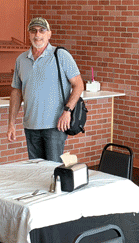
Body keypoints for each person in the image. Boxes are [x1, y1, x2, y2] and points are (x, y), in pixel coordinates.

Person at [7, 17, 83, 162]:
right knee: (37, 170)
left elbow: (78, 84)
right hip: (30, 126)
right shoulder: (21, 60)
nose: (37, 35)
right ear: (29, 34)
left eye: (42, 30)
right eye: (33, 31)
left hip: (55, 126)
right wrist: (11, 123)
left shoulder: (60, 55)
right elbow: (16, 92)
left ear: (49, 34)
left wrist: (67, 111)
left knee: (53, 168)